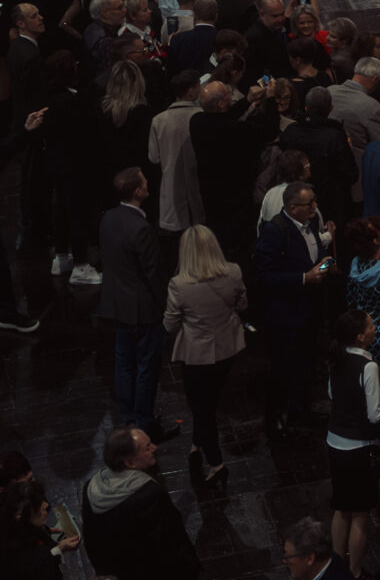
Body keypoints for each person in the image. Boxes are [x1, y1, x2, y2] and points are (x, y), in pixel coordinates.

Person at [81, 428, 201, 580]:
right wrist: (189, 569)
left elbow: (92, 542)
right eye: (147, 447)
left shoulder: (91, 488)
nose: (155, 448)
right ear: (130, 463)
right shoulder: (148, 495)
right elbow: (168, 544)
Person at [162, 224, 246, 486]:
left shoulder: (179, 284)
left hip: (197, 355)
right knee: (210, 402)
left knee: (202, 410)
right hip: (228, 348)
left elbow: (169, 325)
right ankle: (198, 442)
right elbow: (243, 303)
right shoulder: (234, 271)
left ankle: (216, 463)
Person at [251, 181, 333, 435]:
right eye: (310, 203)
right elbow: (263, 276)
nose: (315, 207)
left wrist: (324, 264)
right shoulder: (275, 231)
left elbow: (312, 256)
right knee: (283, 368)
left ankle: (301, 411)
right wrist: (303, 278)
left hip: (309, 311)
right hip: (285, 315)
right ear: (292, 207)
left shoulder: (311, 224)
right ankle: (276, 417)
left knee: (305, 364)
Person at [325, 306, 380, 580]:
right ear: (360, 337)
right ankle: (355, 573)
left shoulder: (337, 358)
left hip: (335, 443)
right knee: (360, 514)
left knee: (341, 508)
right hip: (359, 448)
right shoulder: (369, 366)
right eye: (370, 326)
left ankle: (336, 566)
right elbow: (375, 415)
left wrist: (374, 385)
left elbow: (334, 393)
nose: (374, 328)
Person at [97, 167, 166, 434]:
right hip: (142, 310)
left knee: (124, 364)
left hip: (117, 304)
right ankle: (144, 422)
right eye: (145, 182)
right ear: (138, 191)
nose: (148, 184)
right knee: (146, 367)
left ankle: (128, 418)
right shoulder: (142, 228)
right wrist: (165, 306)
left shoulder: (108, 218)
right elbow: (153, 274)